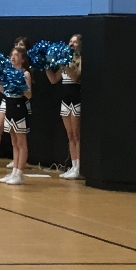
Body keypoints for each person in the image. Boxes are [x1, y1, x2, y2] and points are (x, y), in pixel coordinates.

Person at [47, 33, 82, 180]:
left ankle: (79, 168)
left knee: (76, 135)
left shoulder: (80, 60)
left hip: (76, 99)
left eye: (75, 42)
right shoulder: (66, 61)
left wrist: (64, 64)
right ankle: (73, 166)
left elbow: (75, 77)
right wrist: (46, 66)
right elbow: (54, 80)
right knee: (70, 135)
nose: (71, 44)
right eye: (70, 42)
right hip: (65, 101)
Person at [0, 46, 32, 186]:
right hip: (9, 107)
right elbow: (5, 92)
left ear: (22, 59)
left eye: (17, 55)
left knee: (21, 142)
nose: (13, 57)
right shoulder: (8, 72)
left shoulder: (25, 74)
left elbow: (29, 95)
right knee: (14, 142)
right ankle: (14, 171)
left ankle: (19, 173)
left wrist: (21, 86)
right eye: (12, 55)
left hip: (19, 108)